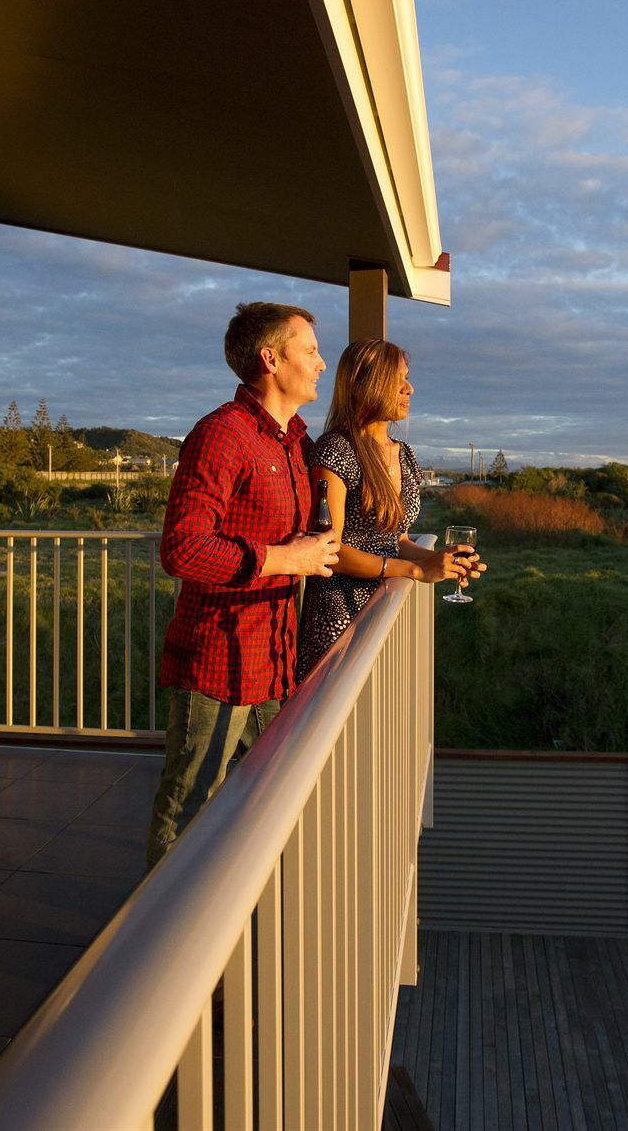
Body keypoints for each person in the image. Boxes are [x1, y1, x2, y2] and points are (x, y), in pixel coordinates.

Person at [146, 302, 342, 869]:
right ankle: (164, 944)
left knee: (271, 803)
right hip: (216, 663)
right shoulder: (220, 436)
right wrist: (285, 558)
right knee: (187, 809)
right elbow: (181, 549)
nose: (321, 363)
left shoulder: (296, 443)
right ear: (270, 358)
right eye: (309, 350)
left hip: (273, 660)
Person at [297, 339, 483, 680]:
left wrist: (437, 560)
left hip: (380, 607)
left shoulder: (404, 453)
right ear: (367, 384)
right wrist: (414, 571)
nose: (409, 388)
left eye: (407, 378)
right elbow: (330, 551)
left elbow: (396, 539)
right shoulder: (337, 450)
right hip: (341, 613)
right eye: (398, 379)